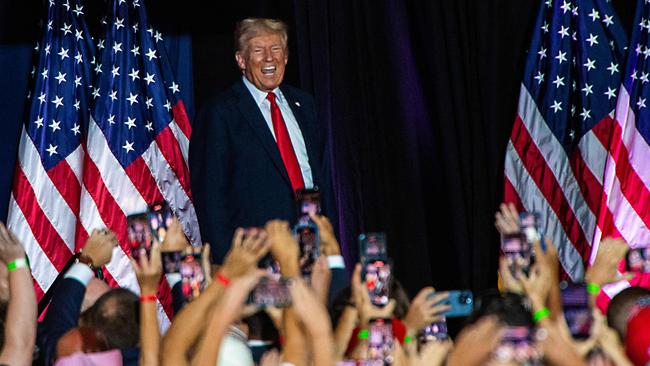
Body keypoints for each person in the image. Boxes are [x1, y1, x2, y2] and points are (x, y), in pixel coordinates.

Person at [190, 17, 333, 263]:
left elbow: (317, 176)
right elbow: (211, 199)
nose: (269, 58)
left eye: (276, 49)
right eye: (258, 50)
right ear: (241, 60)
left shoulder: (305, 105)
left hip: (312, 250)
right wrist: (229, 267)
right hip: (257, 259)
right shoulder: (220, 114)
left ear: (286, 56)